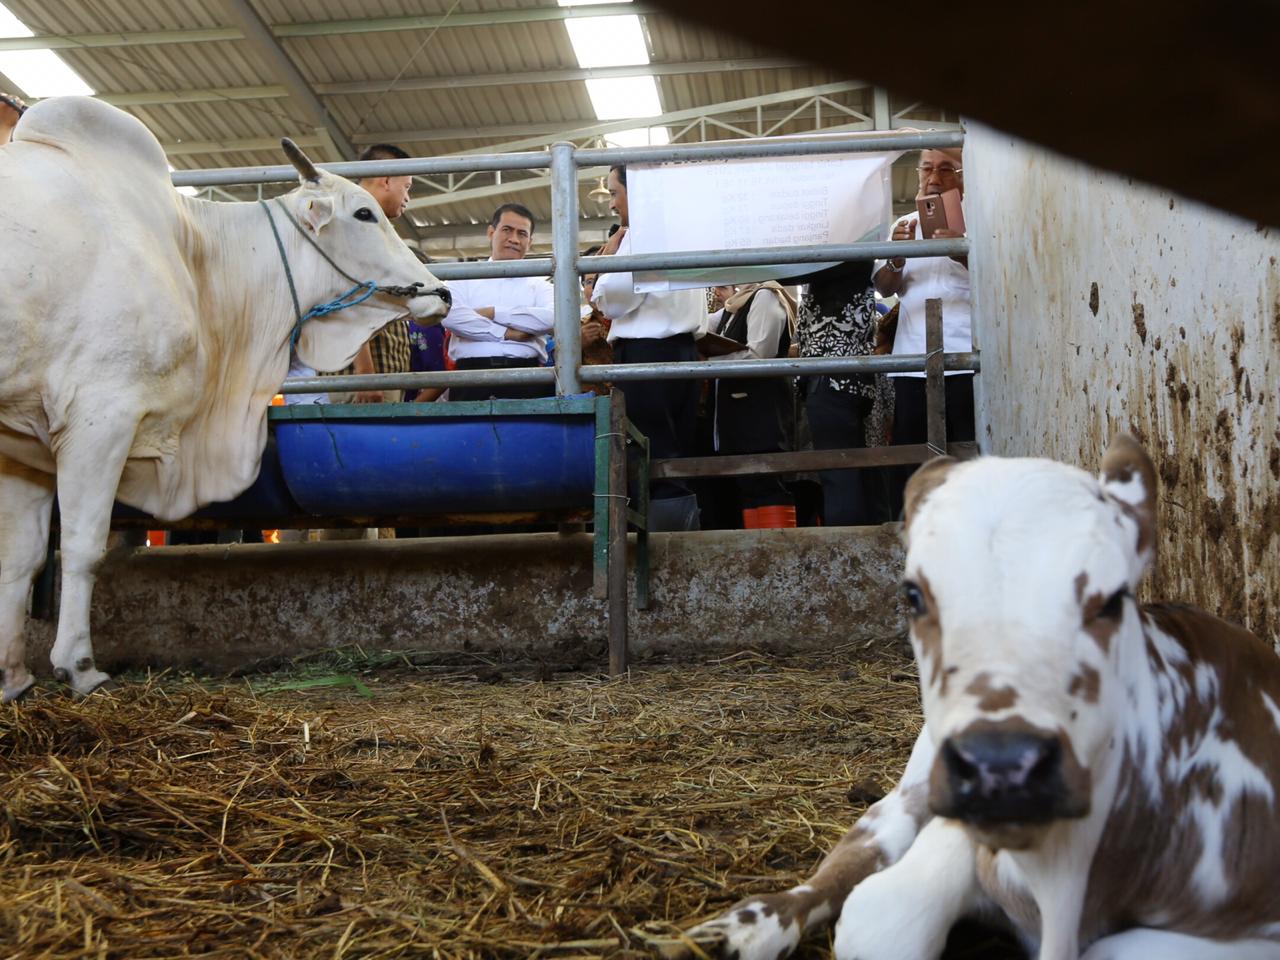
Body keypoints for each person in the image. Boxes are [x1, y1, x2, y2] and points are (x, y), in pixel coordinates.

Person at [592, 165, 705, 532]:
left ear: (635, 192)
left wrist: (606, 263)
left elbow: (612, 300)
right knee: (674, 457)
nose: (612, 204)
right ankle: (680, 551)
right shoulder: (685, 231)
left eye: (614, 193)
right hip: (684, 352)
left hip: (646, 355)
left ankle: (656, 559)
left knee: (649, 460)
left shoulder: (640, 234)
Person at [873, 147, 973, 515]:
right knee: (911, 460)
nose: (933, 179)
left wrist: (960, 251)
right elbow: (883, 287)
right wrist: (897, 258)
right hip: (911, 366)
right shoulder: (904, 225)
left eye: (946, 169)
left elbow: (1004, 285)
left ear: (965, 175)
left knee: (965, 457)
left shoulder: (982, 223)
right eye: (927, 169)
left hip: (965, 365)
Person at [790, 256, 891, 526]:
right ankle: (868, 544)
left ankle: (847, 550)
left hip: (832, 375)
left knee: (839, 471)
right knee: (853, 468)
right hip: (848, 376)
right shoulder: (850, 252)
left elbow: (785, 273)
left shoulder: (840, 250)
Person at [704, 282, 799, 527]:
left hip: (761, 414)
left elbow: (759, 354)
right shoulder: (736, 304)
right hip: (741, 417)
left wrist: (711, 360)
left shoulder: (766, 296)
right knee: (749, 486)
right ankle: (758, 555)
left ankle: (777, 554)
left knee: (767, 484)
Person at [442, 202, 554, 401]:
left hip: (527, 379)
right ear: (491, 232)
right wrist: (507, 333)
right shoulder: (462, 276)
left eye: (522, 234)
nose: (514, 239)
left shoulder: (541, 284)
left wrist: (492, 312)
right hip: (470, 380)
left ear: (530, 241)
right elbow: (450, 316)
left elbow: (551, 318)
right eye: (507, 230)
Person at [337, 143, 416, 403]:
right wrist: (365, 374)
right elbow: (348, 297)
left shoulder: (369, 224)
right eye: (406, 187)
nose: (407, 197)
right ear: (386, 180)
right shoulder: (352, 221)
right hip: (362, 378)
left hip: (380, 373)